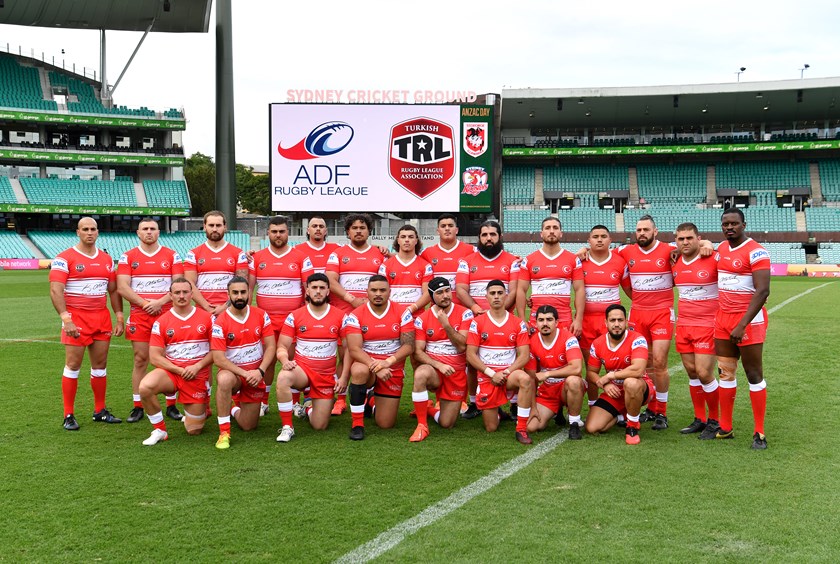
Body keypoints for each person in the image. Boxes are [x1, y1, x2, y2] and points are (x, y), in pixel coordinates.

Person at [50, 217, 124, 430]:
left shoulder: (107, 259)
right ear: (78, 232)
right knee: (73, 365)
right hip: (77, 318)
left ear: (98, 232)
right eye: (85, 229)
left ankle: (99, 411)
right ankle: (68, 415)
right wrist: (66, 318)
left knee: (100, 366)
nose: (89, 232)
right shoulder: (64, 258)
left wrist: (119, 316)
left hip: (101, 317)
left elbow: (113, 290)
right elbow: (56, 290)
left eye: (93, 229)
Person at [117, 217, 185, 424]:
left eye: (153, 229)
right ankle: (138, 405)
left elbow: (179, 284)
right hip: (140, 315)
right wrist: (145, 303)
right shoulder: (127, 257)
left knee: (170, 359)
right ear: (138, 233)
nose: (149, 232)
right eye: (145, 229)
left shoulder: (171, 255)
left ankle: (171, 404)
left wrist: (160, 302)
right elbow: (122, 287)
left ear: (158, 232)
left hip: (167, 313)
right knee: (140, 359)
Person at [714, 208, 771, 449]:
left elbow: (763, 291)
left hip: (748, 321)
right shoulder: (721, 249)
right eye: (725, 224)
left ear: (743, 224)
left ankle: (760, 433)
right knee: (726, 373)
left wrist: (742, 324)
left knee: (753, 375)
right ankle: (725, 427)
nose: (729, 227)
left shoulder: (756, 251)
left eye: (734, 223)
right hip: (723, 319)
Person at [184, 210, 249, 416]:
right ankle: (206, 401)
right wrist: (206, 307)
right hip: (203, 313)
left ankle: (235, 402)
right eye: (210, 225)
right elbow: (190, 284)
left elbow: (242, 283)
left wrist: (224, 307)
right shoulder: (194, 253)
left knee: (233, 356)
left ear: (225, 227)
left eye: (218, 225)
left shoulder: (237, 253)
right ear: (204, 227)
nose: (214, 229)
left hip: (230, 312)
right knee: (205, 358)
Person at [456, 220, 521, 419]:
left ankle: (514, 403)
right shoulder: (466, 261)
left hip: (504, 317)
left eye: (493, 234)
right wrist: (477, 308)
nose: (488, 238)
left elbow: (514, 290)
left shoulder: (512, 260)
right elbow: (460, 290)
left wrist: (497, 311)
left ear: (500, 237)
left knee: (510, 356)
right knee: (473, 362)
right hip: (475, 318)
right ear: (479, 238)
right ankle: (475, 402)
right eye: (484, 235)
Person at [274, 273, 349, 441]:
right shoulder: (295, 316)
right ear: (307, 291)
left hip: (326, 375)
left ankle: (306, 409)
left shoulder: (340, 316)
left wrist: (343, 378)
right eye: (314, 288)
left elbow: (348, 350)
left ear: (328, 291)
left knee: (319, 426)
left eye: (322, 288)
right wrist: (285, 361)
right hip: (303, 371)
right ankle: (287, 427)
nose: (318, 291)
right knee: (284, 377)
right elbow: (282, 346)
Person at [138, 278, 214, 445]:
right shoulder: (162, 322)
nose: (181, 296)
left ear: (192, 294)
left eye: (185, 292)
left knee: (194, 430)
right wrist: (178, 370)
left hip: (196, 374)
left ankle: (202, 406)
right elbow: (155, 356)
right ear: (170, 295)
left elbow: (216, 351)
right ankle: (160, 430)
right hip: (173, 372)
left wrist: (197, 366)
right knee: (145, 387)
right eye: (177, 293)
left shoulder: (207, 318)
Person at [325, 213, 386, 415]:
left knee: (373, 353)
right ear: (348, 231)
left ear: (369, 231)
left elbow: (386, 282)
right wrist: (351, 299)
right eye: (354, 227)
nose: (358, 231)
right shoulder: (338, 254)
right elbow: (331, 281)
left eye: (362, 227)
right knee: (345, 356)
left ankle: (370, 394)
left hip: (372, 314)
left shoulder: (379, 254)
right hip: (344, 313)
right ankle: (341, 399)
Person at [248, 215, 308, 415]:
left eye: (282, 231)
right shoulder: (257, 258)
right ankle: (264, 401)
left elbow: (308, 289)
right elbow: (249, 289)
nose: (278, 235)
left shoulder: (300, 257)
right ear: (268, 233)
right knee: (268, 360)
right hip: (265, 321)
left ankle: (296, 402)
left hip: (292, 321)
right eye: (274, 231)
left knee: (292, 359)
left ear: (288, 232)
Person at [343, 275, 415, 440]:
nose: (378, 294)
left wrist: (387, 362)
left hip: (392, 368)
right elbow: (354, 349)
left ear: (390, 292)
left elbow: (408, 346)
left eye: (382, 290)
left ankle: (371, 401)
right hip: (367, 365)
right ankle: (357, 425)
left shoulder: (402, 312)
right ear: (367, 292)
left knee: (385, 424)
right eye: (373, 290)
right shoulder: (356, 314)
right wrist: (377, 366)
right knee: (359, 370)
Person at [210, 277, 276, 449]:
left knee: (248, 426)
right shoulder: (221, 321)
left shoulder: (261, 315)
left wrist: (260, 371)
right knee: (224, 379)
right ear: (228, 294)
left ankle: (233, 407)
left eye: (243, 292)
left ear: (249, 293)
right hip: (235, 375)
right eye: (235, 293)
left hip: (255, 375)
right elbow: (218, 359)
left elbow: (271, 347)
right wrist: (245, 373)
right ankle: (224, 432)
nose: (239, 296)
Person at [466, 280, 535, 444]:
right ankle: (497, 410)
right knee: (491, 427)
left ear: (505, 295)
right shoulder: (478, 322)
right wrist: (491, 373)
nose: (496, 296)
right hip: (488, 377)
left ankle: (521, 429)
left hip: (508, 374)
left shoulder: (517, 323)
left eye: (500, 293)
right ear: (486, 297)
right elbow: (470, 355)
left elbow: (524, 355)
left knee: (525, 379)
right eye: (492, 293)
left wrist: (506, 372)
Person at [672, 222, 721, 438]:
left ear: (698, 238)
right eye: (681, 239)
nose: (685, 242)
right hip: (684, 325)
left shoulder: (712, 257)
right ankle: (700, 418)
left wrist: (710, 244)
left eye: (689, 238)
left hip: (707, 325)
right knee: (692, 373)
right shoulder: (674, 261)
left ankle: (716, 420)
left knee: (704, 373)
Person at [409, 277, 474, 442]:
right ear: (431, 297)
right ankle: (422, 425)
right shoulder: (422, 318)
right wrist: (439, 364)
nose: (445, 295)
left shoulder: (465, 313)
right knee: (421, 373)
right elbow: (418, 351)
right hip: (435, 371)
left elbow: (462, 346)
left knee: (447, 423)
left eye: (447, 291)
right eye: (439, 293)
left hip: (456, 373)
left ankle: (428, 408)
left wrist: (446, 324)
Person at [584, 304, 653, 445]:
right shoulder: (598, 343)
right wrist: (604, 385)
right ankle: (623, 416)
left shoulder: (637, 339)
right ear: (606, 323)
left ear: (626, 322)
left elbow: (638, 370)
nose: (617, 324)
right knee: (592, 428)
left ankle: (632, 427)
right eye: (613, 320)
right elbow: (591, 373)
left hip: (640, 388)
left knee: (631, 383)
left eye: (620, 320)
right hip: (614, 392)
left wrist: (610, 376)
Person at [578, 225, 629, 407]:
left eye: (603, 236)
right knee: (590, 366)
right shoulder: (579, 261)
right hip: (586, 322)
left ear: (610, 240)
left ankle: (621, 405)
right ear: (588, 241)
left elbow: (630, 290)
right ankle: (593, 404)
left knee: (618, 365)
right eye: (595, 237)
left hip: (612, 322)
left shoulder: (619, 262)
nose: (599, 240)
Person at [525, 305, 585, 440]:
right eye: (541, 320)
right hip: (548, 391)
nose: (545, 323)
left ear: (557, 322)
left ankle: (574, 423)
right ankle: (556, 411)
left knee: (574, 381)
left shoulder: (568, 338)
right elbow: (531, 377)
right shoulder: (532, 342)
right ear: (536, 323)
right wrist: (533, 407)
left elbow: (576, 368)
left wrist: (547, 374)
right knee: (532, 427)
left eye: (549, 319)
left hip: (566, 387)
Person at [516, 217, 584, 336]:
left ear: (561, 233)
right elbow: (521, 290)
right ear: (541, 234)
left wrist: (578, 320)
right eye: (547, 228)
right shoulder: (529, 260)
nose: (551, 231)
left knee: (563, 353)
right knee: (536, 353)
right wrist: (522, 319)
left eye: (555, 228)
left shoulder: (572, 259)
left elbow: (579, 290)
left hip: (564, 319)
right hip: (537, 319)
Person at [419, 213, 474, 306]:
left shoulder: (471, 250)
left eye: (450, 226)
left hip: (463, 309)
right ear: (438, 231)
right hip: (438, 309)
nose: (447, 228)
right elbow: (409, 260)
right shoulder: (427, 253)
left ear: (456, 230)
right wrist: (389, 254)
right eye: (443, 226)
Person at [378, 224, 433, 316]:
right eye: (403, 237)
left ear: (416, 241)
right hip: (392, 315)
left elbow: (427, 294)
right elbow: (382, 292)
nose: (407, 240)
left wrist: (411, 309)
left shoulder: (425, 266)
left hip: (416, 316)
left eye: (411, 237)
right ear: (398, 240)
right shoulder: (386, 266)